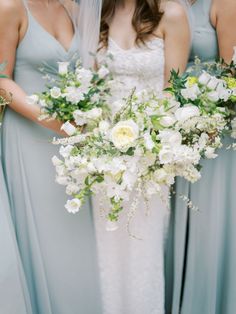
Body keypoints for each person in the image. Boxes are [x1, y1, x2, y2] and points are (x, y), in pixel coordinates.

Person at [0, 1, 102, 313]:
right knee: (41, 235)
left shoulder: (75, 6)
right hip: (28, 137)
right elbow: (1, 80)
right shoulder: (10, 7)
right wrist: (55, 122)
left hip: (73, 146)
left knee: (73, 241)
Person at [93, 1, 191, 313]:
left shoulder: (170, 14)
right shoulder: (99, 15)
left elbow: (171, 90)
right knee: (105, 251)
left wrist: (145, 141)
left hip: (150, 158)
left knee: (144, 250)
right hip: (102, 156)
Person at [166, 1, 236, 313]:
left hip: (211, 138)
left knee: (205, 224)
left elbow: (232, 76)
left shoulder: (224, 4)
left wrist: (205, 120)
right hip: (165, 133)